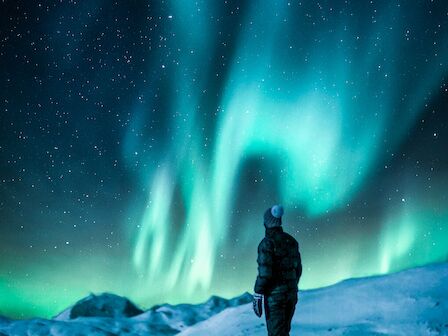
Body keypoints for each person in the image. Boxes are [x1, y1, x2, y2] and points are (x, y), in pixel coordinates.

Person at [253, 205, 302, 336]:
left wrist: (258, 293)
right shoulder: (291, 241)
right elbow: (298, 269)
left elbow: (265, 273)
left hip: (275, 298)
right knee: (284, 332)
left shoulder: (267, 244)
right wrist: (290, 286)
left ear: (267, 222)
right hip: (291, 294)